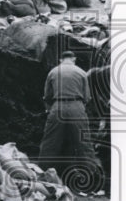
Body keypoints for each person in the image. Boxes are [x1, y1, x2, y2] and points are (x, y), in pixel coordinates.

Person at [38, 52, 99, 183]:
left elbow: (47, 96)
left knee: (50, 142)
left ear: (60, 59)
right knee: (83, 142)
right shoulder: (81, 72)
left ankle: (42, 175)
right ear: (74, 59)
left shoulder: (53, 72)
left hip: (57, 106)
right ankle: (91, 177)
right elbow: (87, 97)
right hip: (76, 106)